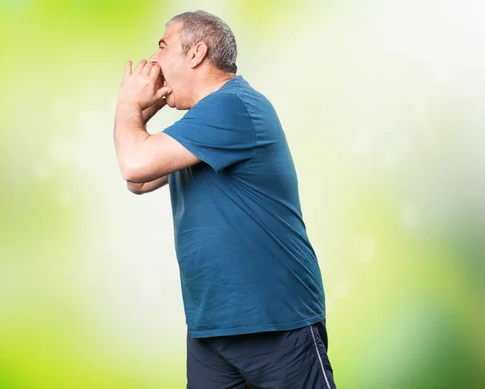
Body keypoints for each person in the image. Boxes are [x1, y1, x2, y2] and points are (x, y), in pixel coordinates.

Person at [114, 10, 336, 389]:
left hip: (274, 322)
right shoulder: (200, 125)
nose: (153, 61)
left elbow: (134, 165)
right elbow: (139, 180)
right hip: (213, 328)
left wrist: (127, 104)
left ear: (196, 53)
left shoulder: (231, 106)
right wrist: (144, 114)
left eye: (163, 46)